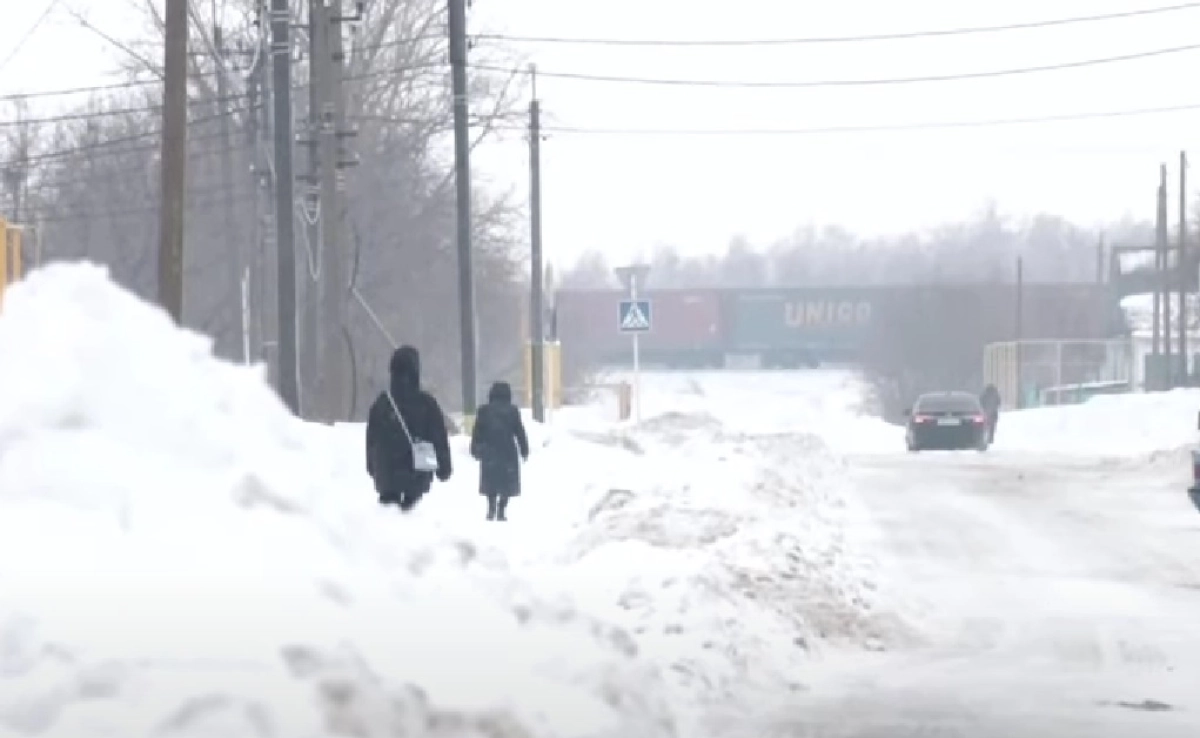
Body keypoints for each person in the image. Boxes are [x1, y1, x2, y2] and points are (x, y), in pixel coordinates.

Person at [366, 346, 452, 511]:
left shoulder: (382, 404)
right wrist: (444, 469)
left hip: (387, 479)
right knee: (413, 523)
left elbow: (371, 441)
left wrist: (373, 468)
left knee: (388, 521)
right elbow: (438, 438)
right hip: (416, 478)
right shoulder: (426, 404)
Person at [469, 381, 529, 521]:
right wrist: (524, 449)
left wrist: (475, 448)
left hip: (489, 451)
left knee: (491, 482)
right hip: (508, 451)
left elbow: (477, 431)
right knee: (506, 482)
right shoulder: (512, 411)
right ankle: (502, 509)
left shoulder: (483, 411)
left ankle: (491, 508)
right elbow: (519, 432)